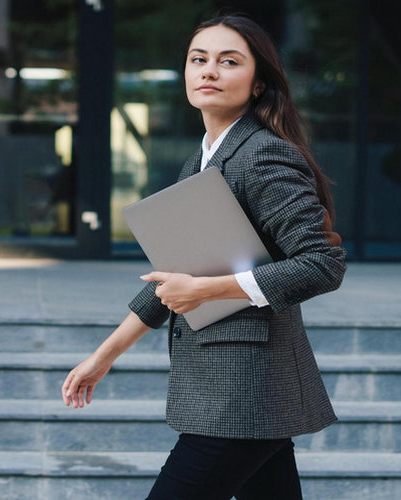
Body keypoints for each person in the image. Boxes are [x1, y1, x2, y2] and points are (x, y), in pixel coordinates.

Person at [61, 14, 346, 500]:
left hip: (246, 389)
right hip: (237, 388)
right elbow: (174, 278)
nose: (209, 71)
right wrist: (103, 356)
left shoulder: (263, 155)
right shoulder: (203, 160)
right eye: (199, 59)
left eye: (228, 61)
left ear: (259, 84)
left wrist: (207, 290)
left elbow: (322, 264)